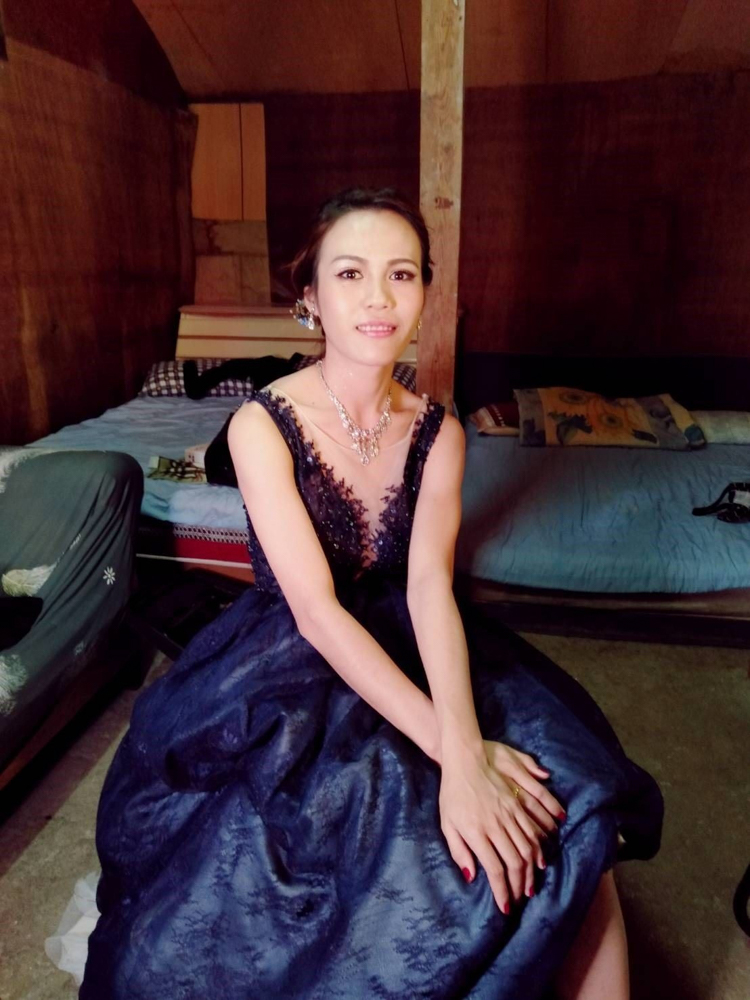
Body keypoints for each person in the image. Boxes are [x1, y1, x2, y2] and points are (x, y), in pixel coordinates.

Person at [78, 187, 663, 999]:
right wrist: (457, 758)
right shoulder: (260, 425)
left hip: (414, 630)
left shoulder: (440, 432)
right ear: (312, 298)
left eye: (402, 274)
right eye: (351, 273)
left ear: (425, 293)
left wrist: (469, 745)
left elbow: (428, 587)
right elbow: (318, 613)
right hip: (289, 654)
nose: (379, 297)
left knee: (572, 801)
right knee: (370, 820)